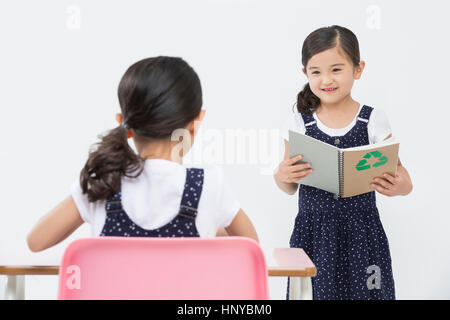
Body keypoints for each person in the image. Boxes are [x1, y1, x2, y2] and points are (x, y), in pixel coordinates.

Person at [27, 56, 258, 252]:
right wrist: (208, 224)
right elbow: (252, 248)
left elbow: (36, 241)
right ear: (194, 125)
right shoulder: (210, 185)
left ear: (124, 126)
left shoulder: (103, 183)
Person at [274, 25, 413, 300]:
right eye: (316, 72)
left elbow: (404, 180)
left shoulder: (372, 119)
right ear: (305, 73)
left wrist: (397, 185)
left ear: (358, 69)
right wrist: (281, 174)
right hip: (312, 234)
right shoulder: (299, 122)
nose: (327, 79)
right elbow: (289, 186)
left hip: (363, 233)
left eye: (336, 69)